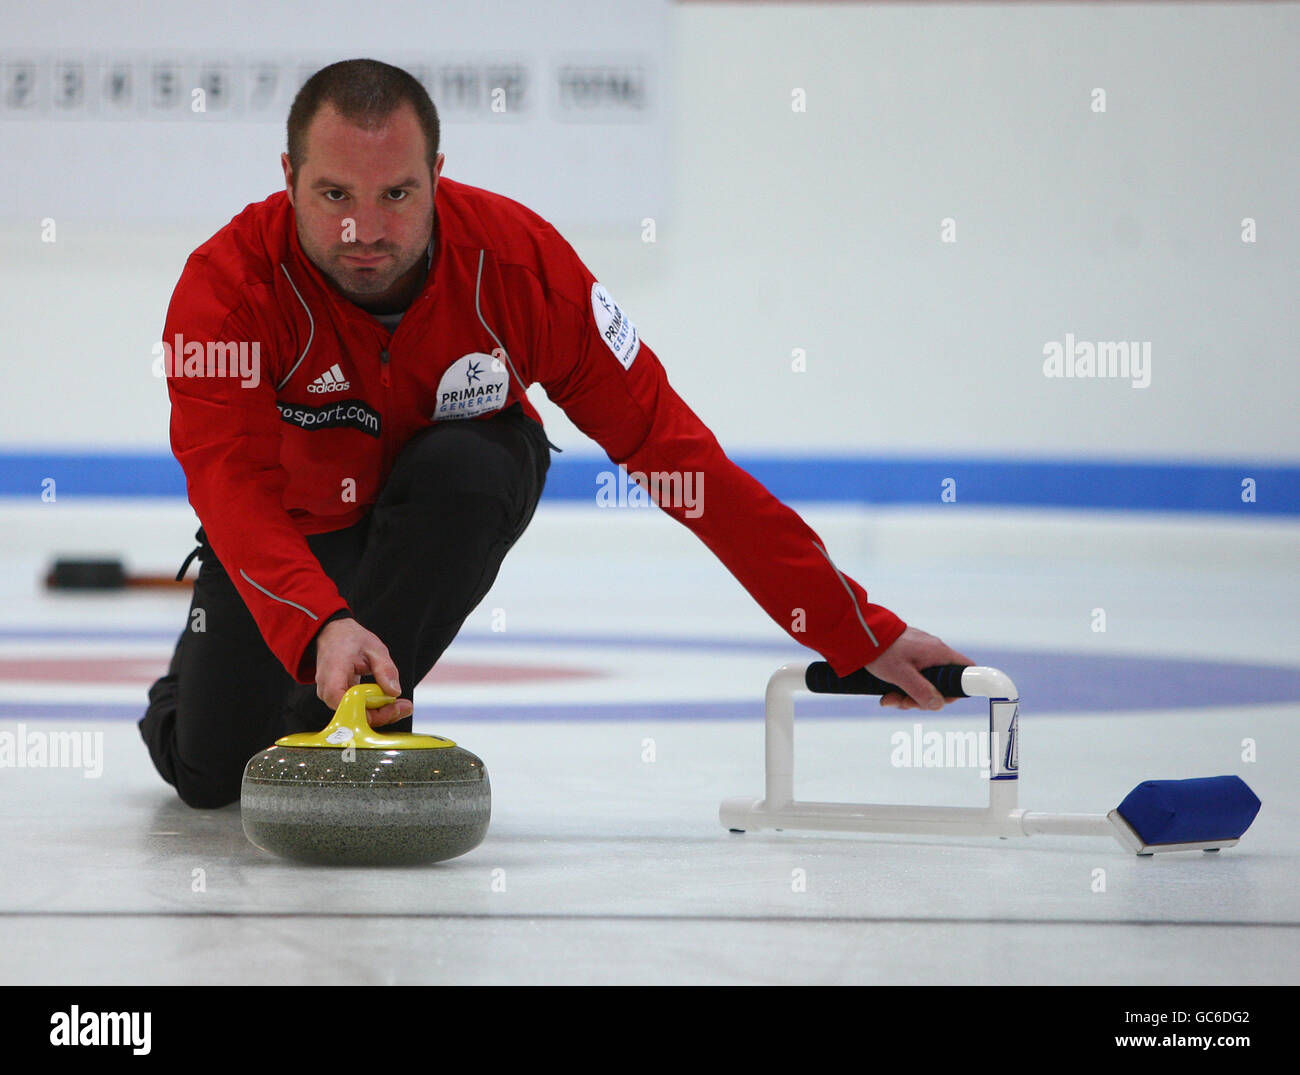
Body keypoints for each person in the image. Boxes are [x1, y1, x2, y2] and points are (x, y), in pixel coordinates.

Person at [139, 58, 973, 808]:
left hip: (438, 509)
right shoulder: (226, 290)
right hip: (290, 537)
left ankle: (338, 728)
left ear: (437, 175)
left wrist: (854, 629)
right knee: (214, 781)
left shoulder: (521, 270)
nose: (365, 231)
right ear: (288, 178)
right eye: (335, 197)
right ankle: (209, 684)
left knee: (473, 467)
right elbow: (231, 485)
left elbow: (676, 456)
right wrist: (317, 622)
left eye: (396, 194)